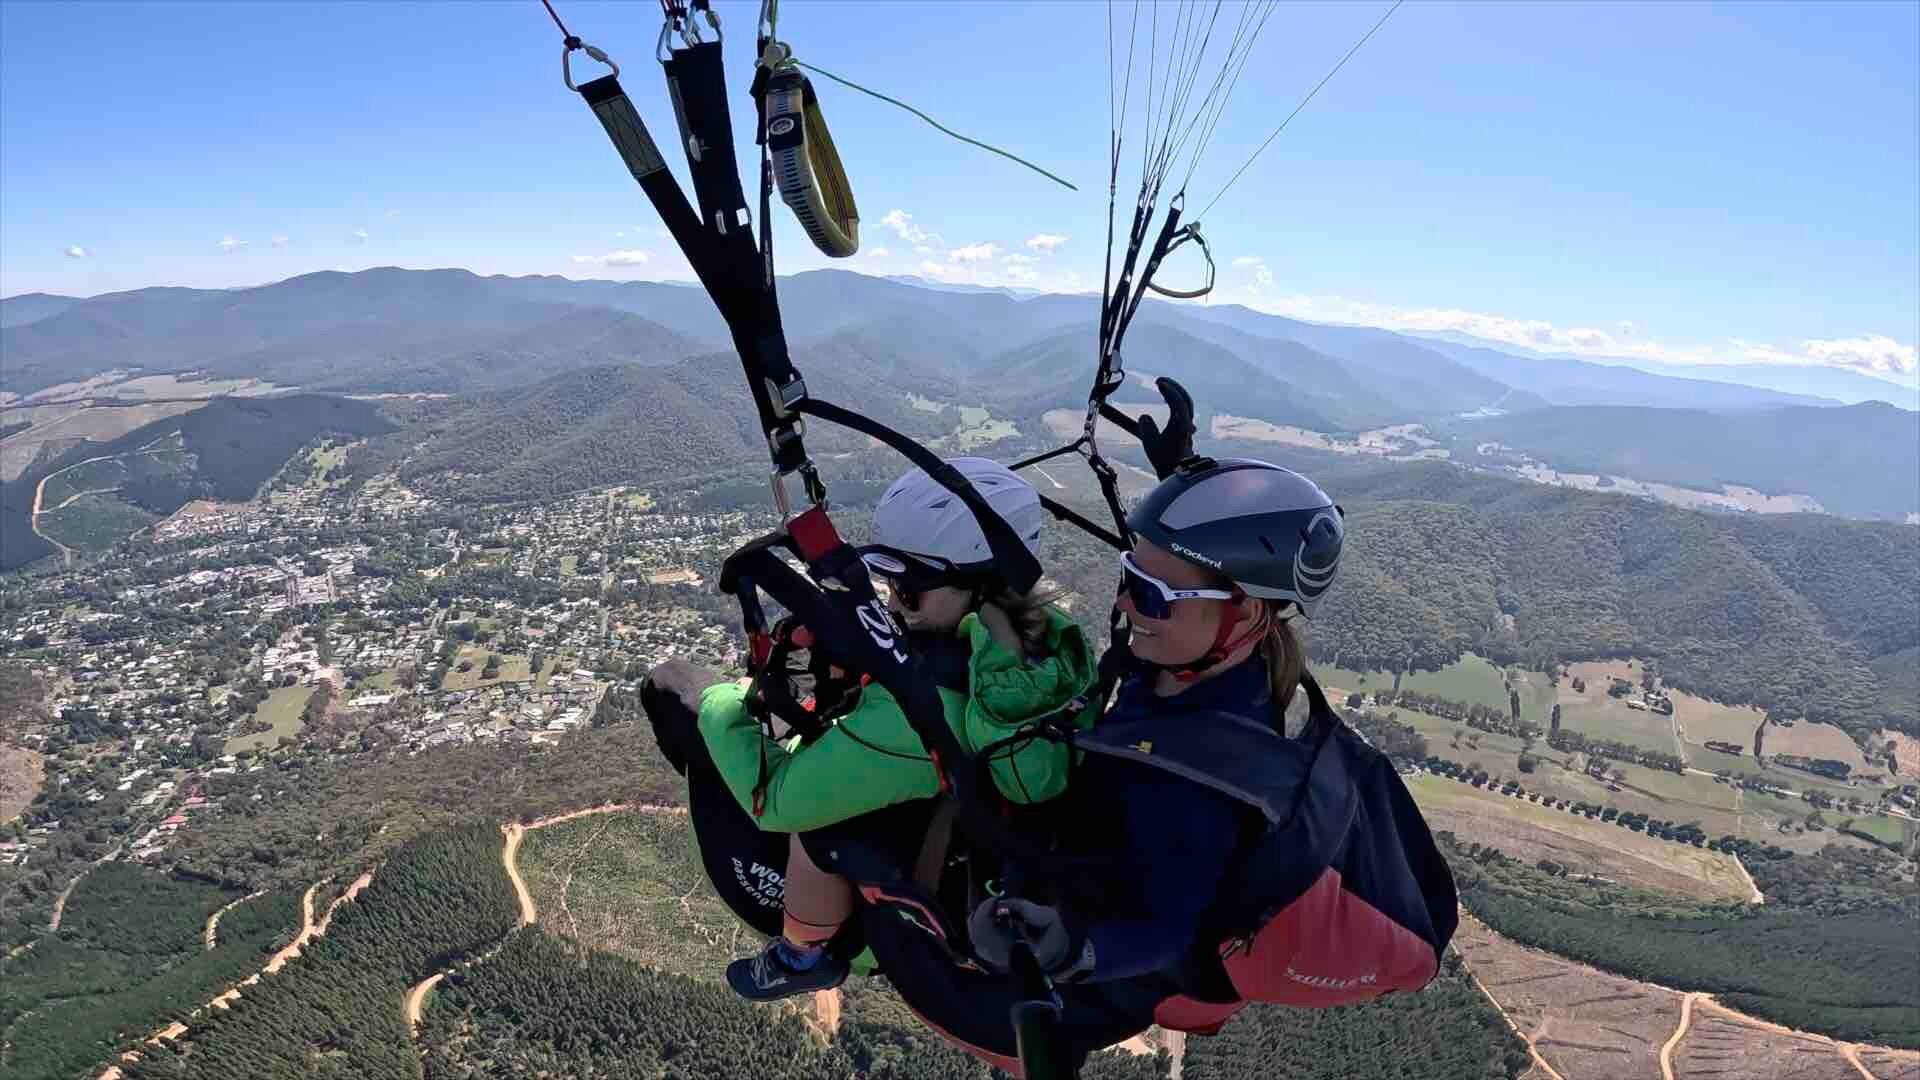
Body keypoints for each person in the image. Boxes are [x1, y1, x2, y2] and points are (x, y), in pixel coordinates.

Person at [690, 457, 1096, 1001]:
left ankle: (802, 955)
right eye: (888, 581)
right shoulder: (1053, 642)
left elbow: (780, 802)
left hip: (938, 846)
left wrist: (723, 702)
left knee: (816, 829)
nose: (892, 600)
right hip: (1002, 825)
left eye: (909, 589)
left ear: (976, 586)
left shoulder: (918, 702)